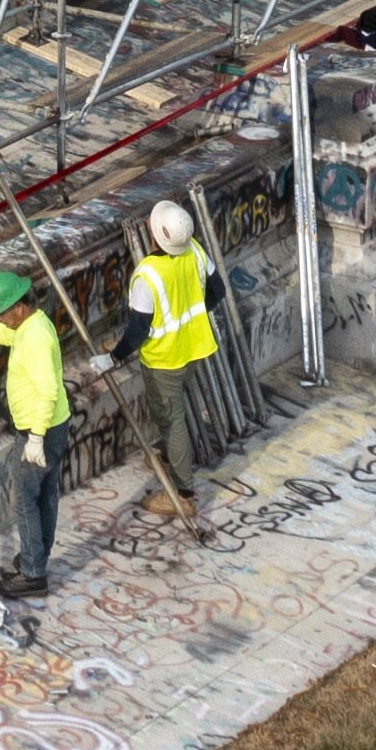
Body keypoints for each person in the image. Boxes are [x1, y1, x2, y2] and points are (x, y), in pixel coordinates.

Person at [109, 200, 222, 534]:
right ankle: (172, 458)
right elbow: (218, 291)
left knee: (171, 421)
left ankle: (183, 493)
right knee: (170, 415)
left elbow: (137, 330)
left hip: (164, 359)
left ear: (154, 235)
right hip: (194, 347)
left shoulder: (147, 274)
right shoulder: (197, 252)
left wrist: (114, 357)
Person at [0, 265, 73, 597]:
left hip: (38, 431)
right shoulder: (32, 325)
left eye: (0, 313)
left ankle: (32, 574)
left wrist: (36, 438)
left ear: (18, 307)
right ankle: (36, 555)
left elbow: (48, 390)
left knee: (26, 499)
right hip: (54, 424)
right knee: (46, 494)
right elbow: (8, 335)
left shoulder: (36, 338)